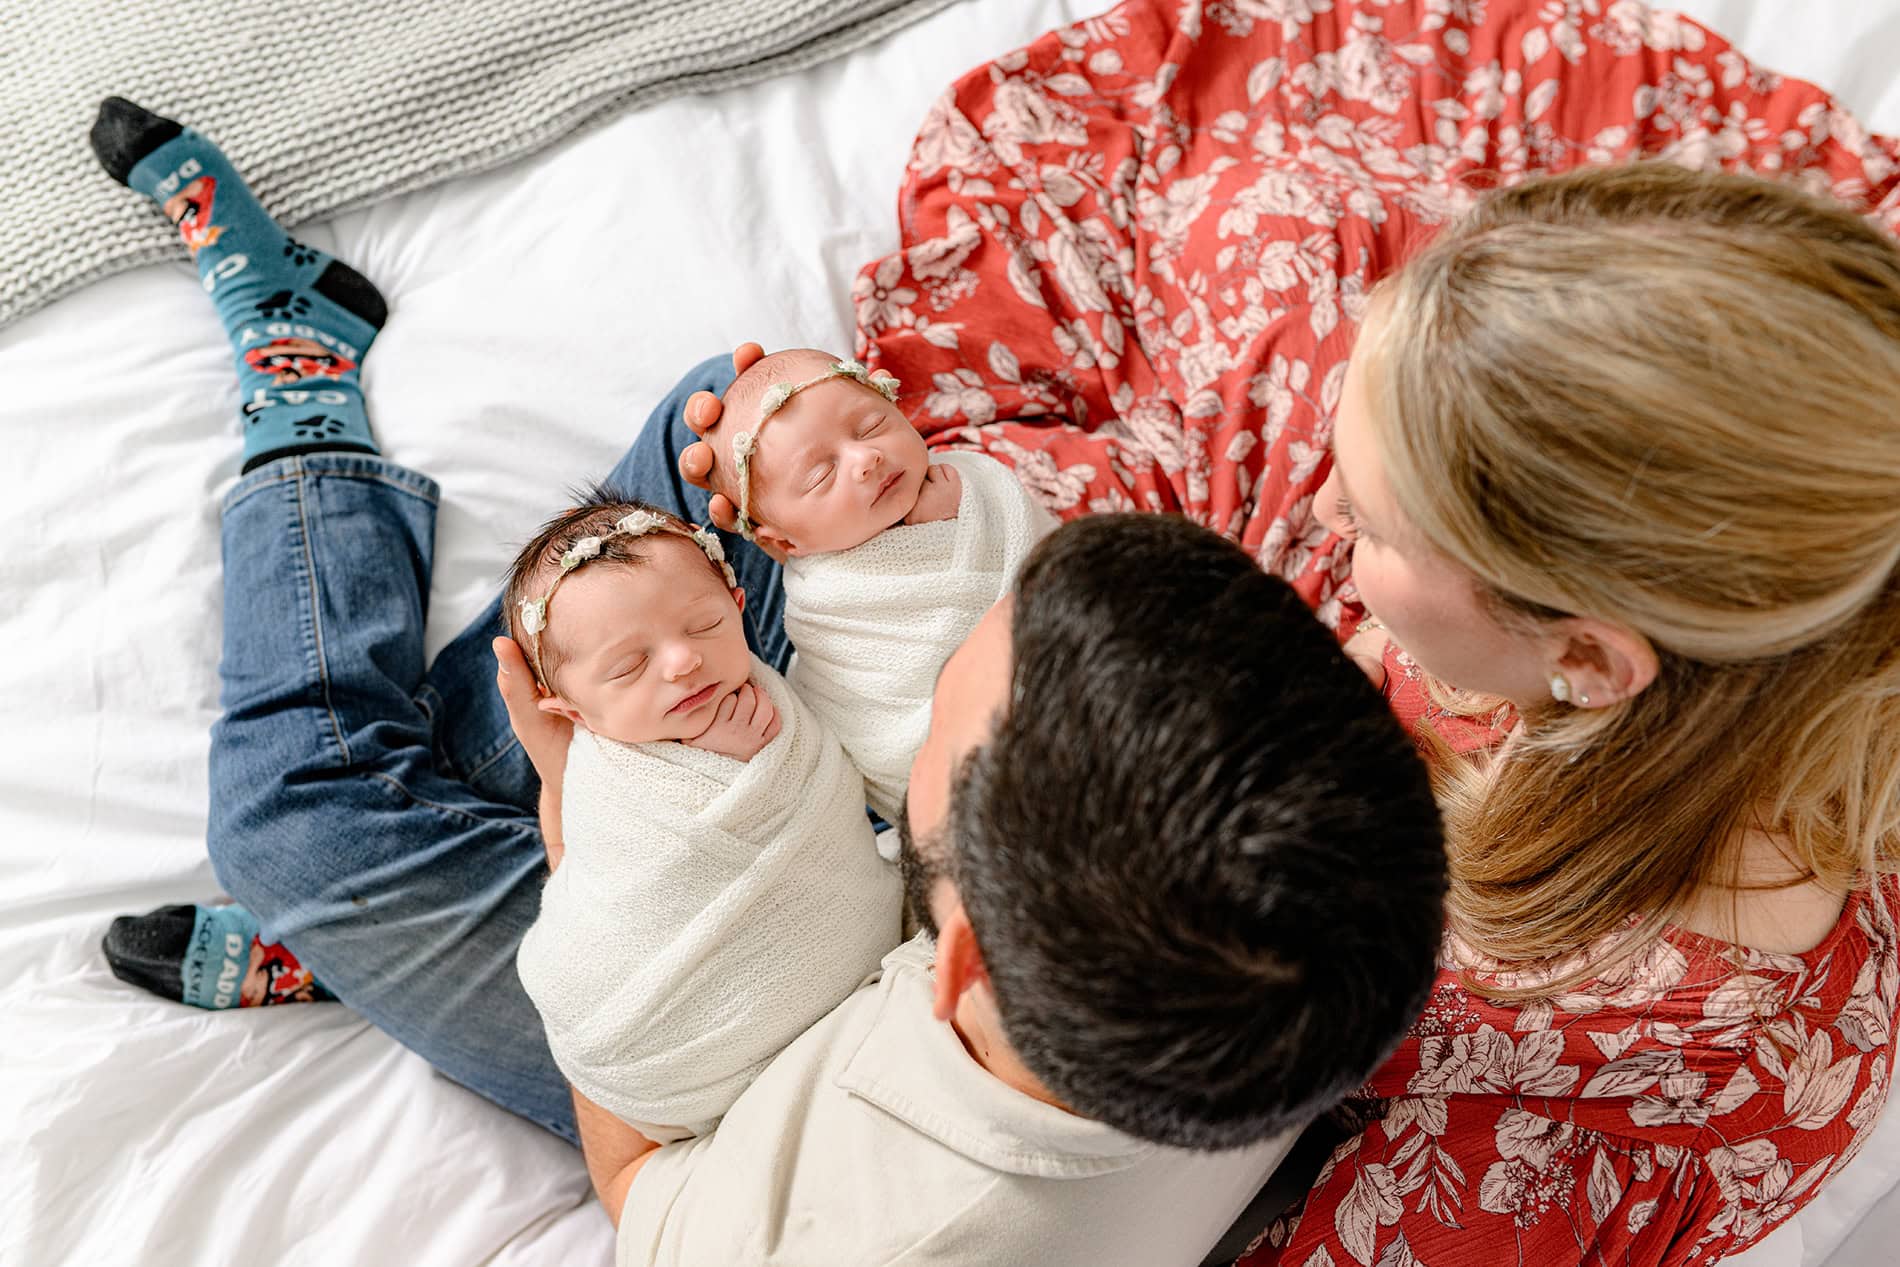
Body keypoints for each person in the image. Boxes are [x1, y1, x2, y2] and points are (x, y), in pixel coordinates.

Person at [85, 98, 1453, 1262]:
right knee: (723, 441)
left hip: (734, 1037)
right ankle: (376, 939)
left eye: (950, 710)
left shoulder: (861, 1222)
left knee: (291, 821)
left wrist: (582, 849)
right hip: (993, 924)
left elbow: (640, 1184)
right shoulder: (1340, 899)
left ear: (960, 943)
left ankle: (303, 384)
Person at [505, 494, 900, 1141]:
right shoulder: (611, 783)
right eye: (631, 665)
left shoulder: (770, 701)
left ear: (740, 606)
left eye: (706, 625)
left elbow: (826, 807)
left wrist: (754, 768)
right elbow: (626, 874)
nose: (683, 661)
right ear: (570, 711)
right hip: (644, 1020)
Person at [708, 347, 1055, 820]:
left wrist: (965, 518)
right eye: (821, 474)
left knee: (710, 378)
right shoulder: (827, 607)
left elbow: (1051, 564)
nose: (866, 457)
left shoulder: (970, 482)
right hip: (959, 785)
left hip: (1062, 694)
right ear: (784, 542)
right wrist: (937, 537)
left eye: (872, 426)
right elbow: (878, 717)